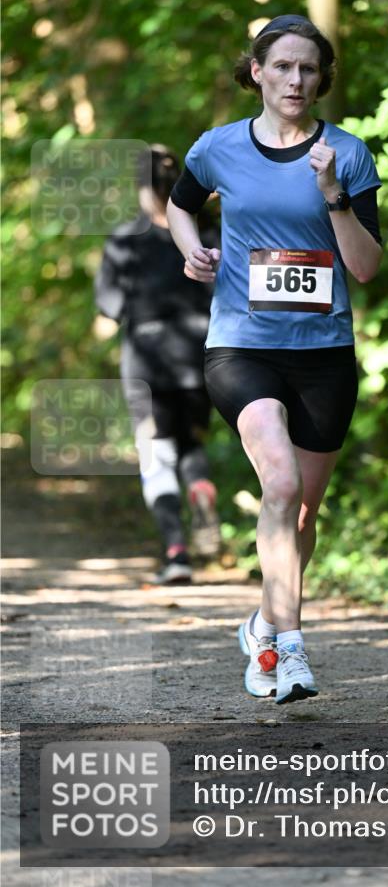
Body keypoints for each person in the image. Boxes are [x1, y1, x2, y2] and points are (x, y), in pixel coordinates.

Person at [167, 14, 382, 703]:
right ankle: (287, 651)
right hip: (240, 346)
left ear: (321, 82)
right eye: (282, 66)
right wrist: (189, 247)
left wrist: (333, 198)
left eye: (308, 70)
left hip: (323, 355)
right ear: (256, 72)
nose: (295, 79)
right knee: (279, 482)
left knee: (300, 515)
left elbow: (366, 268)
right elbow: (179, 205)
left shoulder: (346, 155)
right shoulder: (218, 148)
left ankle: (264, 621)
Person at [95, 144, 222, 585]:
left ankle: (176, 551)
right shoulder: (207, 237)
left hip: (146, 363)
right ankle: (201, 489)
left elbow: (109, 306)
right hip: (199, 355)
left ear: (140, 188)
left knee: (156, 455)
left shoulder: (124, 240)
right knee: (189, 444)